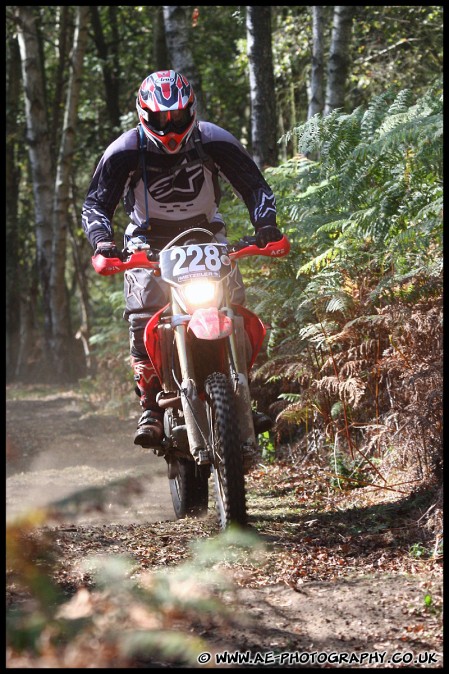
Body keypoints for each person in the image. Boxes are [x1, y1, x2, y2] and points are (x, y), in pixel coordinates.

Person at [82, 69, 283, 448]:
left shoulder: (214, 140)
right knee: (143, 311)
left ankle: (241, 394)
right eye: (161, 118)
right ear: (144, 114)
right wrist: (103, 243)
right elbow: (96, 203)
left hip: (207, 234)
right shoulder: (125, 150)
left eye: (176, 116)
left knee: (233, 308)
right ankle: (151, 404)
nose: (170, 126)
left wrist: (266, 225)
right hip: (146, 242)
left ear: (191, 110)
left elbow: (255, 187)